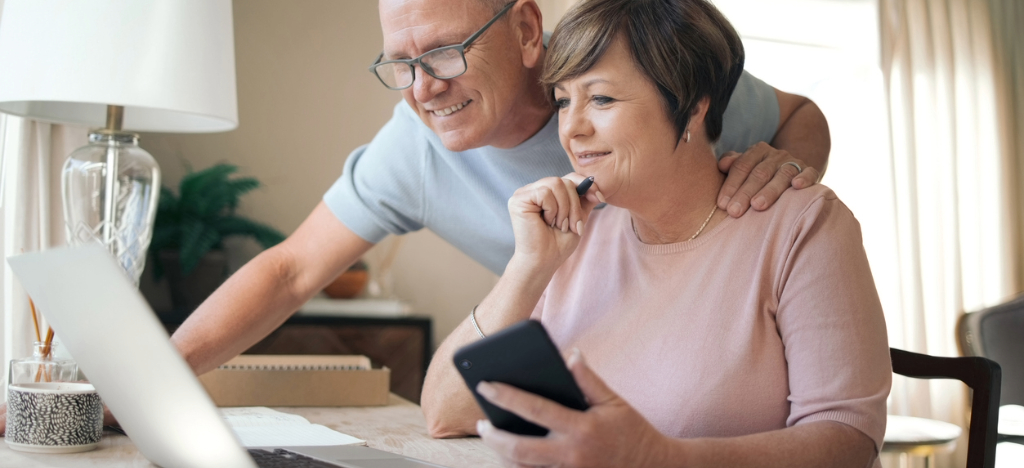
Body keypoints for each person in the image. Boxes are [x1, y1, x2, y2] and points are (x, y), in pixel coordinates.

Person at [0, 0, 831, 432]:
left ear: (528, 30)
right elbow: (289, 271)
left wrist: (787, 164)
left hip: (726, 391)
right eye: (400, 64)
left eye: (443, 52)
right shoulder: (415, 147)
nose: (423, 88)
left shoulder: (628, 79)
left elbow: (803, 116)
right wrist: (140, 382)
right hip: (590, 396)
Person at [419, 0, 890, 467]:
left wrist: (657, 457)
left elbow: (848, 441)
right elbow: (445, 415)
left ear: (693, 105)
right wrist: (526, 268)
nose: (572, 129)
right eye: (563, 101)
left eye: (601, 99)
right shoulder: (573, 239)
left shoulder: (803, 226)